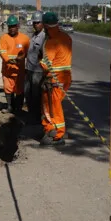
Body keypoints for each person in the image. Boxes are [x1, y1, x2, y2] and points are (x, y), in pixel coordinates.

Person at [39, 11, 72, 145]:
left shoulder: (51, 42)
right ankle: (57, 129)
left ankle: (56, 133)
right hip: (66, 77)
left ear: (46, 26)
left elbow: (46, 65)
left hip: (54, 79)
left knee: (51, 106)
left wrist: (39, 60)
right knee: (56, 104)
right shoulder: (66, 37)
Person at [0, 15, 30, 114]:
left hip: (19, 70)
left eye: (14, 26)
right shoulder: (4, 38)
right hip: (7, 69)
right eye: (10, 26)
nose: (12, 28)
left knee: (19, 90)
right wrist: (9, 60)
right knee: (8, 89)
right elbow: (2, 52)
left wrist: (21, 58)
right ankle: (10, 107)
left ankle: (18, 108)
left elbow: (28, 53)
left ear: (18, 26)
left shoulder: (25, 39)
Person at [24, 11, 46, 121]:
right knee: (28, 93)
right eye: (34, 23)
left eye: (38, 23)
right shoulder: (34, 35)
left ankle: (36, 117)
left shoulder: (44, 37)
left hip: (38, 71)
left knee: (36, 95)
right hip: (29, 69)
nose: (35, 25)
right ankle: (31, 114)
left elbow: (45, 55)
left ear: (42, 23)